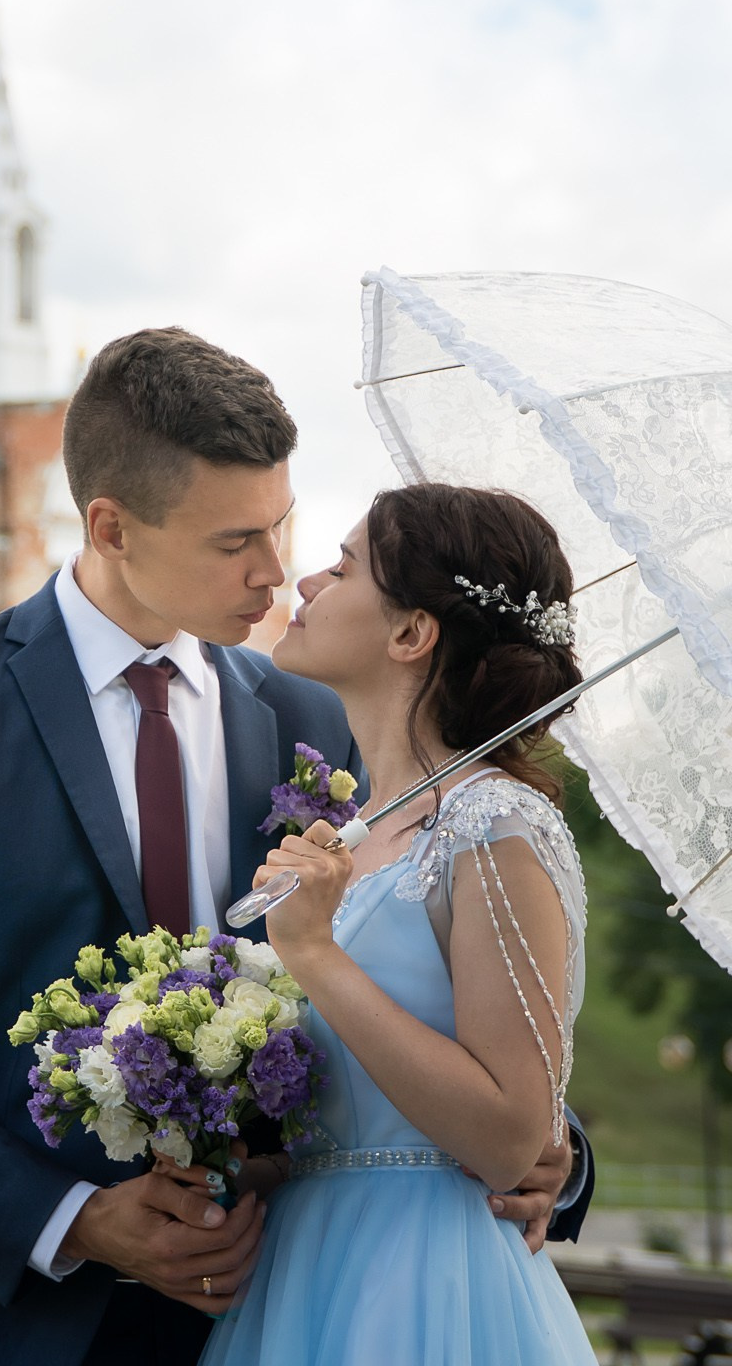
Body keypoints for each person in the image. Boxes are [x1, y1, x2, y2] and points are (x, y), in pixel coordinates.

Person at [0, 330, 595, 1366]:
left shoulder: (321, 716)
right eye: (232, 543)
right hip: (5, 1330)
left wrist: (552, 1153)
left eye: (283, 527)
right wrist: (73, 1217)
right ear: (111, 526)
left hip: (275, 1312)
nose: (276, 573)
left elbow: (457, 988)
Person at [193, 484, 599, 1363]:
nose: (305, 583)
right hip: (301, 1265)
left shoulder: (496, 824)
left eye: (341, 568)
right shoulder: (355, 827)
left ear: (412, 633)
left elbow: (506, 1136)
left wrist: (311, 952)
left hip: (424, 1283)